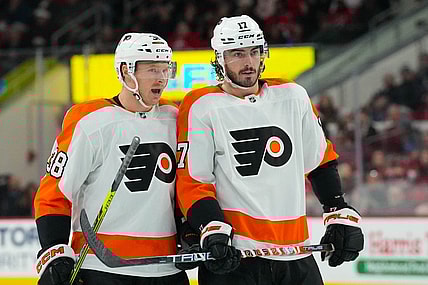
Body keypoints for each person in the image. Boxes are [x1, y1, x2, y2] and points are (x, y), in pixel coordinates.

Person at [176, 15, 364, 285]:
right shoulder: (201, 105)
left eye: (255, 52)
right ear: (219, 58)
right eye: (238, 54)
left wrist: (337, 210)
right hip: (235, 258)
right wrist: (210, 227)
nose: (249, 62)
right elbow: (194, 181)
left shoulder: (292, 95)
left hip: (295, 253)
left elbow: (320, 162)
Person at [34, 32, 191, 285]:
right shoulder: (90, 121)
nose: (161, 78)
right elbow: (55, 194)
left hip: (165, 268)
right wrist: (54, 251)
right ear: (126, 71)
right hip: (102, 266)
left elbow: (186, 188)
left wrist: (190, 232)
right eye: (152, 69)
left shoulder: (175, 118)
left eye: (165, 69)